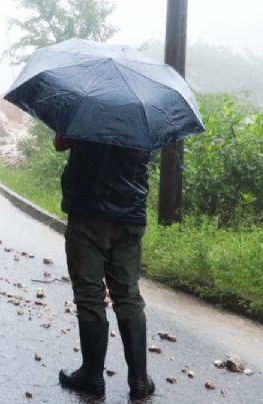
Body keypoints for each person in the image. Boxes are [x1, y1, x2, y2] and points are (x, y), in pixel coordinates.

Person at [53, 132, 155, 400]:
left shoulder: (87, 105)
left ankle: (92, 376)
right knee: (128, 294)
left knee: (89, 295)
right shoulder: (144, 113)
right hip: (130, 215)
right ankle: (140, 380)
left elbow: (60, 143)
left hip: (89, 211)